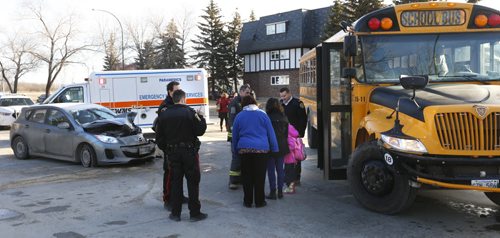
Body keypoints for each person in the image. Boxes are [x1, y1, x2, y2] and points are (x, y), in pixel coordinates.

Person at [155, 89, 208, 222]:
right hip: (189, 152)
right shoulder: (190, 113)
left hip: (173, 153)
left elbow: (159, 137)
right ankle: (194, 213)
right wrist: (201, 117)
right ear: (183, 99)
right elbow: (200, 131)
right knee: (193, 182)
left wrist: (167, 149)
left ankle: (175, 213)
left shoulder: (164, 114)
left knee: (175, 183)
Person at [232, 96, 279, 208]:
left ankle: (247, 201)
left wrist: (235, 150)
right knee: (260, 176)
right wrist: (275, 148)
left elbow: (235, 136)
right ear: (255, 103)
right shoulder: (263, 115)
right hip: (261, 150)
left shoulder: (239, 116)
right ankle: (259, 201)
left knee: (247, 177)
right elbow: (271, 133)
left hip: (244, 150)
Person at [154, 81, 187, 210]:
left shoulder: (177, 104)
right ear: (170, 92)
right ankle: (168, 199)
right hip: (170, 147)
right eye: (176, 90)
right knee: (169, 173)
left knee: (179, 174)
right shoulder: (165, 107)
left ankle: (179, 196)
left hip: (179, 147)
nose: (179, 91)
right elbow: (160, 131)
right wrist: (166, 148)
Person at [279, 87, 307, 186]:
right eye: (281, 96)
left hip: (295, 135)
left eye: (284, 95)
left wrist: (300, 133)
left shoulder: (297, 104)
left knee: (296, 156)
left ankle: (296, 178)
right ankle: (287, 177)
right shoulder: (280, 104)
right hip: (283, 135)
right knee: (286, 156)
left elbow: (303, 119)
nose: (283, 98)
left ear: (289, 93)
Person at [227, 85, 252, 190]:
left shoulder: (247, 102)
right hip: (235, 136)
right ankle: (233, 181)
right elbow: (232, 120)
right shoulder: (234, 103)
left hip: (244, 135)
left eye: (249, 92)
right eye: (246, 92)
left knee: (244, 157)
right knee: (236, 157)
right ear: (241, 92)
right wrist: (234, 134)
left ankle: (241, 179)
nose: (248, 94)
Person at [265, 98, 289, 200]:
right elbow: (286, 134)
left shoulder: (267, 118)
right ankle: (280, 192)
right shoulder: (284, 117)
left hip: (270, 147)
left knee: (271, 170)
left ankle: (272, 192)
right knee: (280, 170)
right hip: (282, 146)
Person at [283, 124, 301, 194]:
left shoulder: (289, 137)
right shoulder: (293, 136)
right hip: (292, 159)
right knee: (290, 173)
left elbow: (292, 146)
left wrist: (285, 150)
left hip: (289, 158)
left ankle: (290, 188)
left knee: (289, 174)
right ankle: (290, 187)